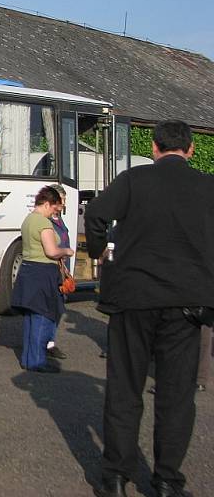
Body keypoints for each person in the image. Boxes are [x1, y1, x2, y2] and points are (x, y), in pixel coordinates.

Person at [86, 120, 214, 497]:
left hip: (133, 295)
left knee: (125, 388)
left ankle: (114, 478)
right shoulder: (208, 186)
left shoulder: (134, 179)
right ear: (190, 150)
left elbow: (95, 214)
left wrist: (97, 251)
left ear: (155, 149)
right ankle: (167, 481)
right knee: (176, 395)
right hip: (187, 299)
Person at [11, 186, 75, 373]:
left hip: (28, 270)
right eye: (54, 208)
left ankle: (28, 359)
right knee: (43, 317)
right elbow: (51, 251)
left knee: (31, 318)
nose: (54, 212)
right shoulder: (43, 223)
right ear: (46, 204)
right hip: (43, 272)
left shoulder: (28, 220)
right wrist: (66, 251)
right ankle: (37, 361)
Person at [46, 183, 71, 360]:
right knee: (51, 307)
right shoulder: (46, 222)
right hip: (52, 269)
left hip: (62, 269)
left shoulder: (59, 220)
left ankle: (50, 341)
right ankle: (47, 343)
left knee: (58, 307)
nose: (64, 203)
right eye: (62, 199)